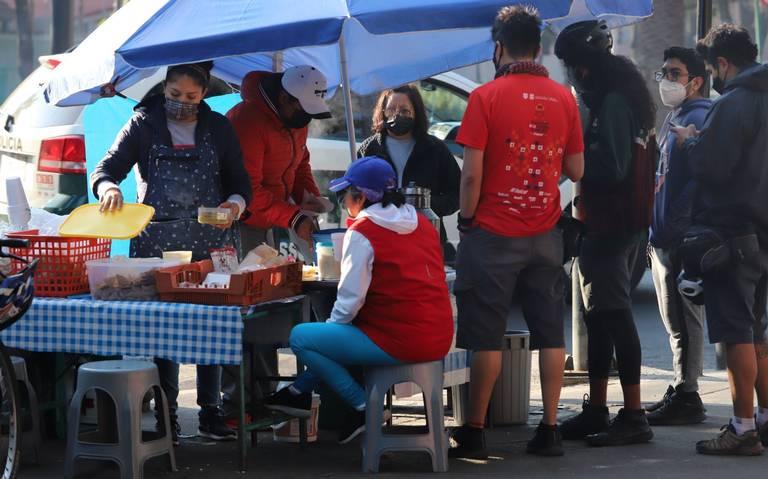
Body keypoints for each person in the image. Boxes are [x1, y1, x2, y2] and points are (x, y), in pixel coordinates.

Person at [448, 6, 584, 459]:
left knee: (486, 334)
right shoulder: (564, 98)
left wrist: (467, 221)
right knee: (549, 332)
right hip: (546, 233)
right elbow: (576, 167)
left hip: (491, 233)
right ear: (540, 47)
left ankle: (476, 428)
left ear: (499, 47)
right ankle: (549, 429)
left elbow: (471, 176)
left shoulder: (485, 97)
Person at [91, 61, 252, 444]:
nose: (181, 103)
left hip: (211, 243)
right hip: (155, 245)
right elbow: (105, 169)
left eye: (191, 97)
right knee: (165, 330)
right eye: (174, 96)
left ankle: (211, 412)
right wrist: (109, 189)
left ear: (203, 95)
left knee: (210, 325)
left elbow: (241, 184)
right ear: (163, 90)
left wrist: (233, 206)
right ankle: (168, 416)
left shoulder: (219, 127)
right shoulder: (142, 124)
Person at [261, 156, 454, 444]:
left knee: (302, 337)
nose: (342, 202)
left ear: (361, 197)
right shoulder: (422, 223)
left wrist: (330, 334)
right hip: (439, 335)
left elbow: (350, 302)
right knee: (327, 340)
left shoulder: (363, 231)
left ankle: (363, 406)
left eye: (344, 195)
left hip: (399, 339)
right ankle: (297, 392)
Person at [555, 20, 656, 446]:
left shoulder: (614, 102)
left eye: (571, 67)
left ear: (582, 68)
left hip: (614, 226)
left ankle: (633, 416)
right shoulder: (618, 95)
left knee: (614, 316)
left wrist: (570, 155)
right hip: (612, 222)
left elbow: (612, 166)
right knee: (596, 318)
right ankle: (597, 408)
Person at [672, 24, 768, 455]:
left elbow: (713, 167)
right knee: (759, 330)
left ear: (723, 64)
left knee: (735, 334)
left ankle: (742, 427)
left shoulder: (733, 104)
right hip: (764, 233)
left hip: (734, 231)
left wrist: (692, 143)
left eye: (712, 70)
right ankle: (763, 417)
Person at [223, 65, 333, 416]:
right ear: (285, 99)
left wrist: (309, 197)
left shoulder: (295, 121)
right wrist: (294, 217)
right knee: (249, 311)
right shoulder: (246, 121)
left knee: (274, 307)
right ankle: (239, 404)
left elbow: (301, 164)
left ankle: (267, 401)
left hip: (278, 219)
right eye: (300, 110)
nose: (305, 118)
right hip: (243, 224)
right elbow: (247, 192)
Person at [646, 47, 711, 426]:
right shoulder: (679, 115)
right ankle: (680, 385)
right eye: (665, 71)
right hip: (663, 236)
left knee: (685, 321)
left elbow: (699, 182)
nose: (667, 80)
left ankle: (688, 395)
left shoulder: (700, 117)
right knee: (674, 321)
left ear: (696, 80)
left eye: (675, 73)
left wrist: (679, 229)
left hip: (678, 238)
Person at [357, 84, 461, 255]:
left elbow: (458, 192)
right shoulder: (369, 148)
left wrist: (426, 206)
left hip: (424, 236)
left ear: (416, 113)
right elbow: (351, 192)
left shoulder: (434, 148)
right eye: (391, 110)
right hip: (381, 234)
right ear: (382, 112)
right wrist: (380, 205)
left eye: (404, 110)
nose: (397, 115)